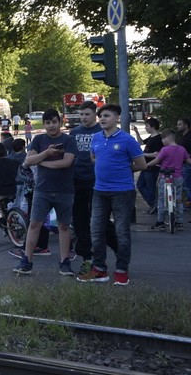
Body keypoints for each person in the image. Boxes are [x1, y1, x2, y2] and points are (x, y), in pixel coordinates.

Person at [78, 104, 146, 285]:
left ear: (117, 118)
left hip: (122, 192)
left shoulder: (127, 140)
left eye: (106, 116)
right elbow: (94, 157)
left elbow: (141, 165)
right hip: (99, 191)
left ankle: (122, 271)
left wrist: (123, 169)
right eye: (100, 116)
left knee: (122, 232)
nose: (102, 119)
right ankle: (100, 270)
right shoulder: (96, 138)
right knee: (97, 231)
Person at [16, 109, 77, 276]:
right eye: (48, 122)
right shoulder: (38, 139)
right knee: (35, 224)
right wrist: (47, 153)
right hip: (42, 190)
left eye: (54, 122)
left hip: (65, 190)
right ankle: (26, 261)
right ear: (44, 124)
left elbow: (66, 162)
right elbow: (28, 161)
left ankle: (64, 262)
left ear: (60, 122)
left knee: (64, 226)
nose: (51, 126)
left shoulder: (69, 140)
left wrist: (41, 161)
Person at [69, 100, 116, 274]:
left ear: (94, 115)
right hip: (78, 181)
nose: (83, 117)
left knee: (100, 221)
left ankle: (119, 252)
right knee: (80, 221)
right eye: (81, 114)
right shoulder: (74, 132)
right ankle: (87, 260)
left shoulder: (101, 132)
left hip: (98, 182)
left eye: (87, 114)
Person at [146, 129, 191, 230]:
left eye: (163, 138)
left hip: (165, 177)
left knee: (161, 199)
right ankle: (179, 222)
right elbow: (188, 161)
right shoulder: (182, 149)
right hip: (178, 177)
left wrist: (146, 165)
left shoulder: (165, 149)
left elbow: (156, 160)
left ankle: (160, 222)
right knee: (178, 199)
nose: (162, 141)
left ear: (168, 138)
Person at [132, 117, 163, 221]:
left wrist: (142, 154)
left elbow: (157, 155)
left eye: (146, 126)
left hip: (152, 167)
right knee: (140, 185)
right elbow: (140, 142)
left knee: (149, 188)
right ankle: (153, 204)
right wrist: (136, 132)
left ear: (152, 126)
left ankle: (154, 204)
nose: (145, 128)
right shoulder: (151, 137)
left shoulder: (158, 139)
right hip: (146, 166)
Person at [177, 118, 191, 208]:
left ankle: (188, 204)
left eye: (180, 124)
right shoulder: (184, 136)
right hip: (185, 163)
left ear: (186, 125)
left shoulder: (188, 137)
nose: (177, 126)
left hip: (187, 164)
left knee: (187, 186)